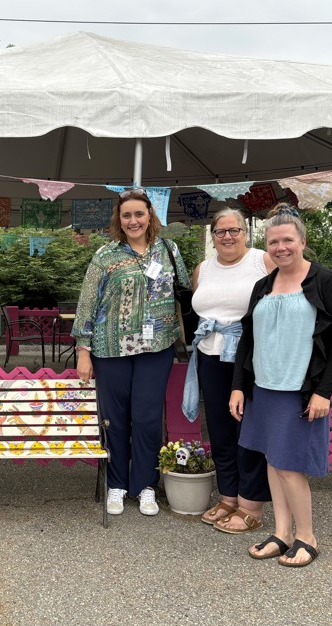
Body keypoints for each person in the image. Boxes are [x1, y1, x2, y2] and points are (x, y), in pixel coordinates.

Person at [229, 203, 332, 567]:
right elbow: (247, 340)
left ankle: (307, 537)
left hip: (298, 389)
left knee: (289, 465)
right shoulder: (263, 285)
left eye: (287, 240)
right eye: (273, 242)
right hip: (263, 387)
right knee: (271, 458)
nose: (280, 247)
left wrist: (324, 391)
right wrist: (238, 386)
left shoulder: (324, 280)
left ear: (302, 241)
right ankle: (282, 534)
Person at [71, 187, 190, 517]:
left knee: (149, 419)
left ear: (150, 215)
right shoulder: (106, 256)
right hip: (111, 349)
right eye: (127, 215)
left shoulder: (168, 250)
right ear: (119, 220)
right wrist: (83, 349)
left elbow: (188, 292)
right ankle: (117, 485)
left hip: (157, 347)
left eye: (139, 213)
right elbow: (87, 304)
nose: (133, 220)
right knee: (115, 420)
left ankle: (146, 485)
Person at [183, 208, 276, 533]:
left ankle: (252, 504)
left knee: (247, 430)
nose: (227, 236)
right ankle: (228, 496)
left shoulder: (262, 262)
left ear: (245, 232)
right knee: (220, 429)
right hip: (209, 355)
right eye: (221, 231)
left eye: (234, 230)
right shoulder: (203, 269)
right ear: (213, 236)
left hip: (248, 356)